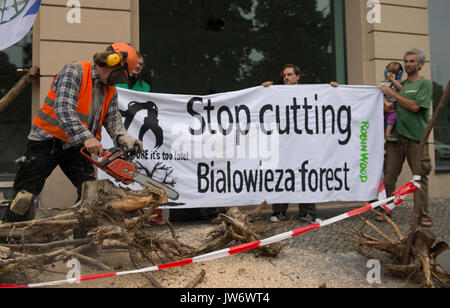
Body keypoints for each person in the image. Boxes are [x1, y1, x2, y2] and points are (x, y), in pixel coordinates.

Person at [3, 43, 144, 223]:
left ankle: (86, 242)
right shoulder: (75, 71)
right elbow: (63, 109)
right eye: (124, 74)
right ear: (114, 63)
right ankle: (9, 241)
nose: (122, 79)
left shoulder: (110, 89)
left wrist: (125, 139)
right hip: (47, 141)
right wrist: (87, 137)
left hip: (76, 146)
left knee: (91, 192)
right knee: (25, 195)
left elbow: (113, 120)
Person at [262, 64, 336, 224]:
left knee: (305, 175)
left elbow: (325, 101)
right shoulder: (276, 93)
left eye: (289, 74)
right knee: (282, 175)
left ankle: (307, 212)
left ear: (298, 76)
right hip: (283, 144)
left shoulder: (308, 93)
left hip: (304, 144)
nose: (286, 78)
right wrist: (265, 88)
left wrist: (333, 90)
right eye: (284, 76)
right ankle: (279, 211)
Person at [380, 49, 433, 227]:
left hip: (417, 139)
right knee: (389, 177)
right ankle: (387, 209)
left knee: (419, 178)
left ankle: (423, 215)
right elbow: (388, 104)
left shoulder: (425, 84)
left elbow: (415, 106)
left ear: (420, 64)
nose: (408, 64)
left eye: (412, 61)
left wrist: (393, 94)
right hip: (396, 138)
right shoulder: (399, 84)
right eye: (406, 61)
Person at [382, 62, 404, 142]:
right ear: (385, 72)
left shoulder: (399, 83)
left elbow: (401, 89)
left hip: (394, 107)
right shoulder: (384, 83)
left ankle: (387, 134)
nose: (391, 74)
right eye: (389, 72)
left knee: (391, 119)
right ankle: (384, 133)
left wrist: (393, 80)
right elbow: (382, 95)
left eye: (394, 73)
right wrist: (386, 103)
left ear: (399, 74)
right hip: (386, 105)